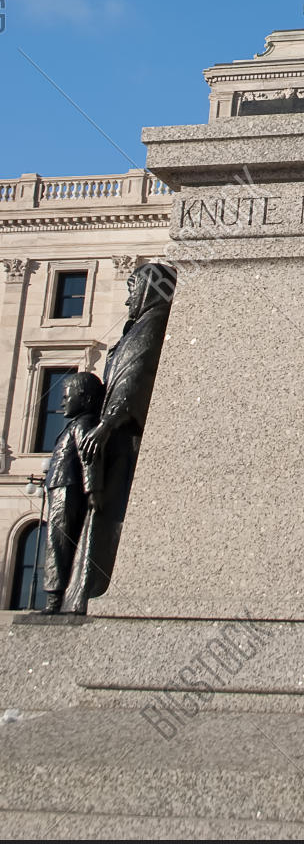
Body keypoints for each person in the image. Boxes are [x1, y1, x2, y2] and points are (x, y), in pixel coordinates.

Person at [60, 262, 176, 613]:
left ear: (150, 290)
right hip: (112, 441)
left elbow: (134, 378)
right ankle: (79, 595)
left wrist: (108, 423)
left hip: (122, 441)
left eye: (133, 291)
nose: (128, 302)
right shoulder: (139, 326)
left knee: (106, 519)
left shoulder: (152, 325)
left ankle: (87, 593)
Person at [42, 371, 105, 614]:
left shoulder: (84, 425)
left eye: (67, 397)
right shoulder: (76, 425)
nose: (62, 402)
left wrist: (92, 489)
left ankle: (55, 599)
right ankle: (55, 598)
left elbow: (88, 457)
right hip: (61, 487)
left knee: (59, 542)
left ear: (86, 399)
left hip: (68, 489)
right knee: (56, 541)